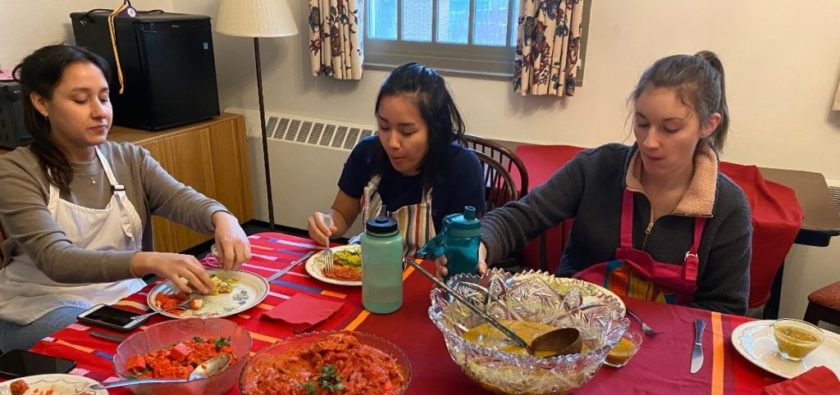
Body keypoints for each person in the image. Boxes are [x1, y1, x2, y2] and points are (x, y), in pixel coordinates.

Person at [440, 51, 752, 315]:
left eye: (670, 128)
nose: (649, 142)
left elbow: (723, 310)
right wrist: (479, 244)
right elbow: (518, 217)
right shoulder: (598, 169)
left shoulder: (727, 207)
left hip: (670, 353)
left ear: (708, 125)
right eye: (642, 123)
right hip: (571, 332)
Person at [0, 44, 251, 352]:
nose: (99, 111)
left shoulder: (129, 158)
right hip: (41, 305)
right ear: (41, 103)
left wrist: (222, 218)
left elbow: (181, 199)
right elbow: (56, 259)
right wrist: (149, 261)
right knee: (126, 351)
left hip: (122, 294)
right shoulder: (15, 172)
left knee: (202, 335)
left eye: (104, 98)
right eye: (81, 99)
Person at [307, 62, 486, 254]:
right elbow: (341, 214)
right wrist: (326, 223)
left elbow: (464, 249)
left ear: (434, 130)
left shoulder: (461, 168)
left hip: (431, 277)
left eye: (407, 132)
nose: (392, 143)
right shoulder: (366, 153)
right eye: (384, 127)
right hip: (372, 269)